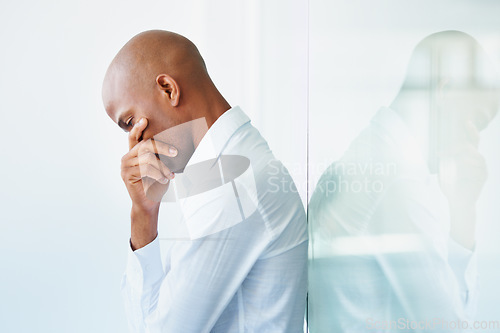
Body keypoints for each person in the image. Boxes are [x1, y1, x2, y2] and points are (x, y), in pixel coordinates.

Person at [102, 30, 308, 332]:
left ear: (168, 89)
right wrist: (145, 211)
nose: (136, 144)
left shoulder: (231, 187)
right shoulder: (231, 167)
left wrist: (141, 216)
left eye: (131, 123)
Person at [308, 31, 500, 332]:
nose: (474, 138)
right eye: (477, 119)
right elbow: (451, 328)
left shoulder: (360, 159)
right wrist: (465, 214)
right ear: (445, 92)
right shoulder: (399, 181)